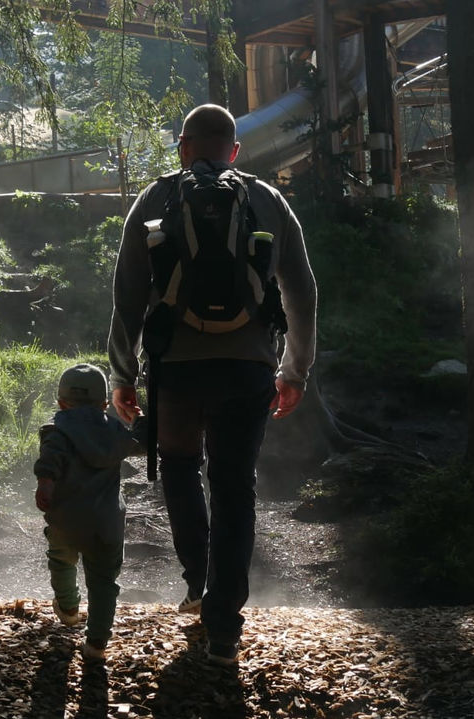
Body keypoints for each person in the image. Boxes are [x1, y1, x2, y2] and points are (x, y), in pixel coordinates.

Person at [107, 104, 317, 666]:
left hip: (175, 367)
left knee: (177, 466)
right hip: (248, 368)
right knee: (232, 485)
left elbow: (126, 294)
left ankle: (197, 585)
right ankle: (225, 628)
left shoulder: (155, 198)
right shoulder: (268, 199)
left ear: (184, 146)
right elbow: (301, 292)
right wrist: (294, 370)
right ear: (234, 150)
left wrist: (122, 375)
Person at [33, 362, 144, 662]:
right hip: (105, 523)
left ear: (61, 402)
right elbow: (145, 443)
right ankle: (96, 642)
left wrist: (45, 484)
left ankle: (68, 607)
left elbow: (50, 460)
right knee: (104, 582)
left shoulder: (57, 432)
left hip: (65, 519)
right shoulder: (115, 432)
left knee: (61, 561)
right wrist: (139, 419)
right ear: (105, 404)